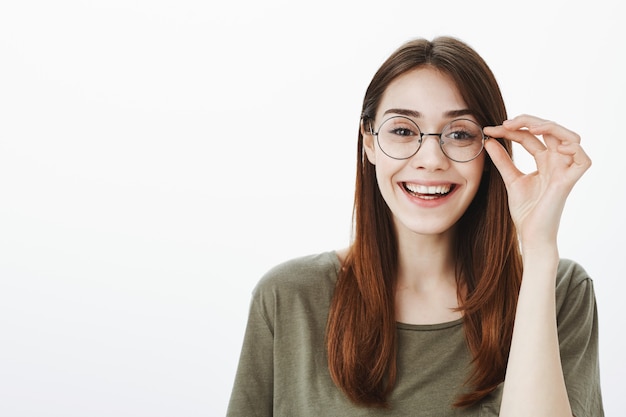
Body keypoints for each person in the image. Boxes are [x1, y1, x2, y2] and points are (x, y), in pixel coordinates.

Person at [226, 36, 604, 416]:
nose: (430, 159)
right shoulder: (289, 297)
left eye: (459, 133)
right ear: (370, 142)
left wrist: (538, 248)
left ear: (490, 150)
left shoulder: (558, 291)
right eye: (404, 131)